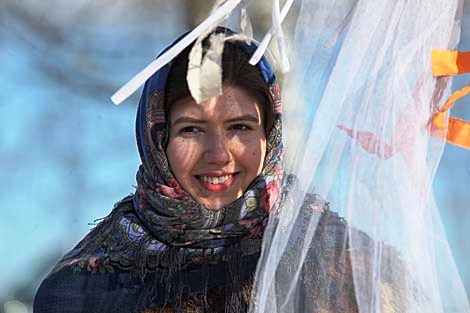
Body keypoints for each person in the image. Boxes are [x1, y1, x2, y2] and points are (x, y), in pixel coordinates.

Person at [33, 27, 405, 313]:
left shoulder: (345, 268)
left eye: (240, 127)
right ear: (156, 137)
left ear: (270, 134)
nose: (219, 154)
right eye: (191, 129)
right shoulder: (80, 292)